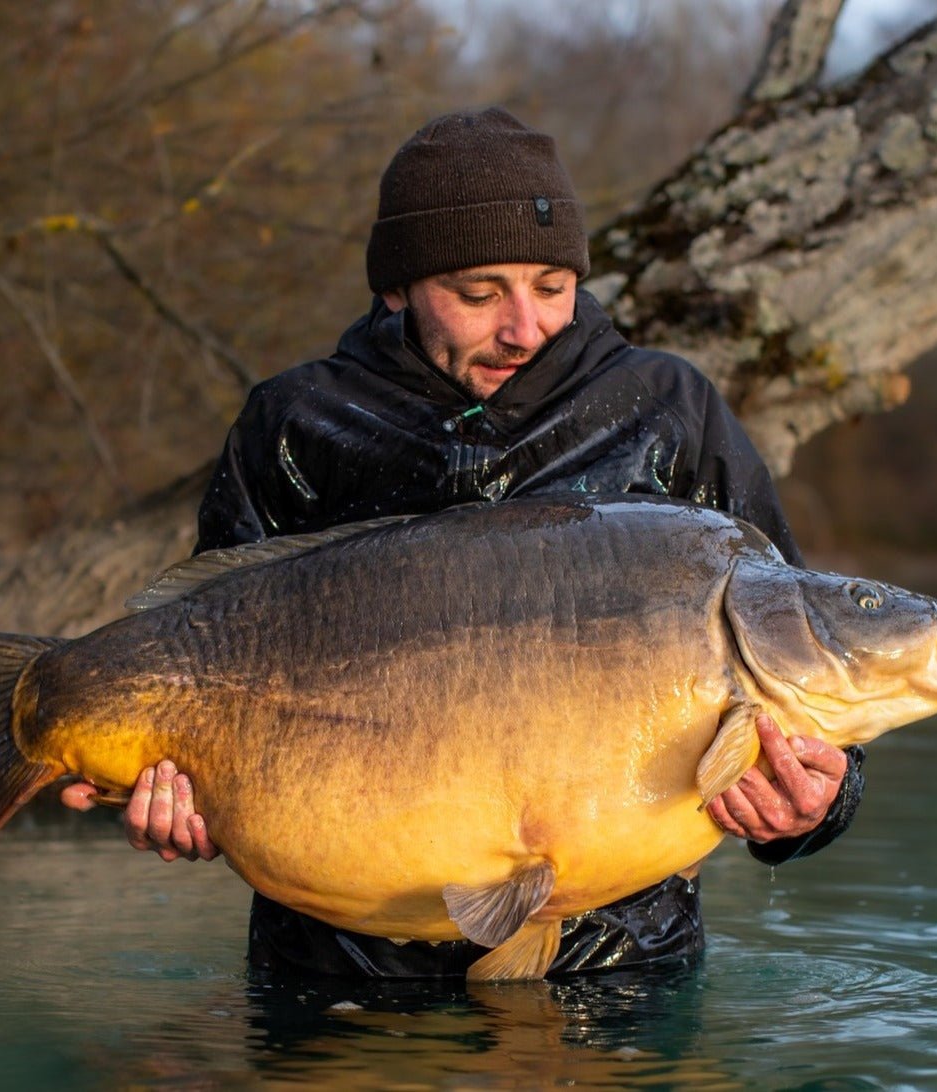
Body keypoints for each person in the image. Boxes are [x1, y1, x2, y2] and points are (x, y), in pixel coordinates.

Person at [62, 107, 865, 977]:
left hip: (616, 972)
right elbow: (201, 652)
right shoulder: (299, 422)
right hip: (339, 974)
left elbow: (807, 685)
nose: (524, 326)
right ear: (397, 288)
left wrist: (814, 807)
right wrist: (183, 804)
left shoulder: (668, 411)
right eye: (480, 295)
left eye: (552, 286)